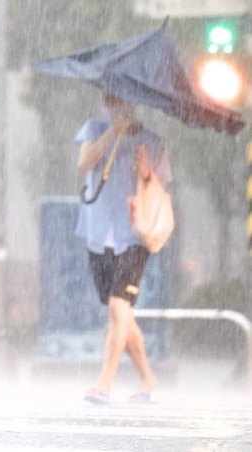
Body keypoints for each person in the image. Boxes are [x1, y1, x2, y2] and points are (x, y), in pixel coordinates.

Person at [76, 93, 172, 404]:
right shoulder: (93, 129)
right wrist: (111, 133)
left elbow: (160, 189)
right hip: (97, 232)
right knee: (121, 311)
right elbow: (84, 162)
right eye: (108, 99)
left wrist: (146, 172)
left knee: (120, 306)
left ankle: (104, 383)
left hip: (133, 235)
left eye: (120, 100)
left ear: (133, 102)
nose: (114, 105)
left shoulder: (153, 141)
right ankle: (148, 379)